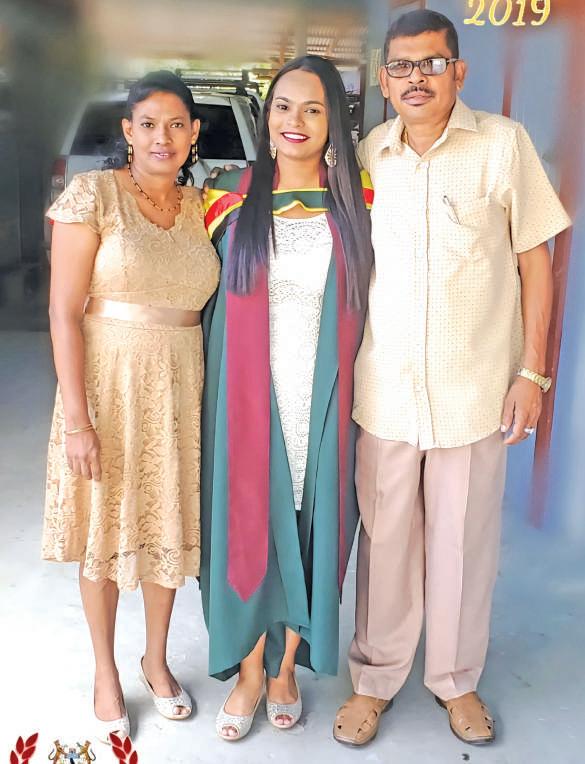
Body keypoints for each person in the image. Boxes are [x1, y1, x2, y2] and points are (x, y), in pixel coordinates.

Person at [333, 9, 572, 747]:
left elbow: (536, 259)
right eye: (401, 66)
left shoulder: (502, 145)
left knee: (464, 548)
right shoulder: (367, 156)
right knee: (386, 544)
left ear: (457, 72)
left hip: (474, 394)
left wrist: (532, 372)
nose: (416, 78)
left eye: (431, 64)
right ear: (383, 80)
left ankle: (455, 680)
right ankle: (374, 678)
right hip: (385, 391)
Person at [199, 54, 374, 741]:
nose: (294, 121)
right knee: (245, 523)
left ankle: (285, 669)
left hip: (324, 389)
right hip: (246, 393)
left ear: (334, 122)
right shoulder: (226, 196)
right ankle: (249, 669)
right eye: (282, 106)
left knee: (311, 521)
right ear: (266, 115)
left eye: (313, 109)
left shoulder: (360, 199)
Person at [43, 70, 219, 741]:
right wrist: (78, 421)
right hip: (106, 390)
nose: (161, 138)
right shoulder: (92, 195)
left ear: (194, 133)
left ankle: (155, 659)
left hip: (180, 388)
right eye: (148, 124)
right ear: (128, 131)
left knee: (163, 525)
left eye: (175, 125)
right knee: (106, 530)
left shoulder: (206, 206)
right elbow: (63, 313)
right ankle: (105, 670)